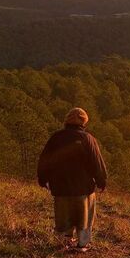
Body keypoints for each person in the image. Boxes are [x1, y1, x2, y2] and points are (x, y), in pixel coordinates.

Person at [37, 107, 107, 250]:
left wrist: (43, 179)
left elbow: (44, 160)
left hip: (60, 187)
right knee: (85, 218)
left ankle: (63, 242)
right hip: (83, 188)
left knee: (63, 217)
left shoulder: (56, 138)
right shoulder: (88, 139)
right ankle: (82, 243)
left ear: (66, 120)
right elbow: (97, 163)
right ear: (84, 122)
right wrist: (101, 181)